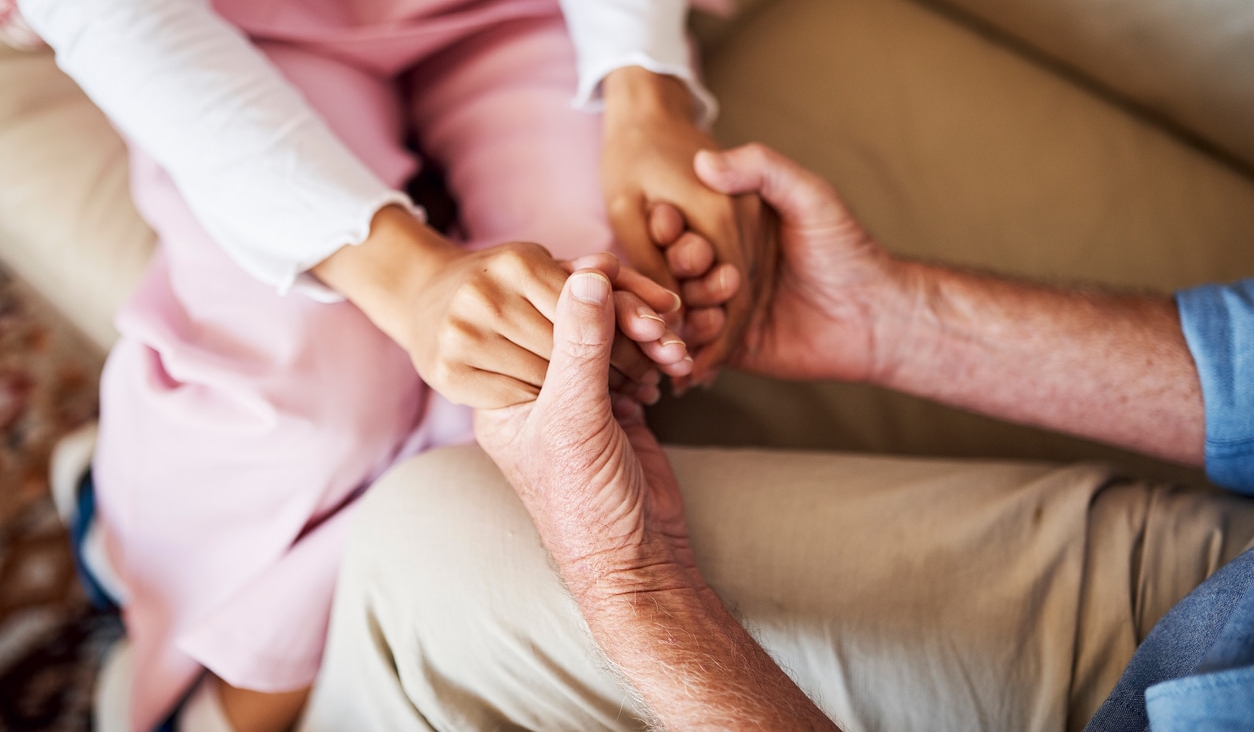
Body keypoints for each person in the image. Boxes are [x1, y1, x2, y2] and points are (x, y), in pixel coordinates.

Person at [0, 0, 765, 729]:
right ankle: (129, 543)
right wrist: (406, 278)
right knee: (300, 400)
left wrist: (646, 99)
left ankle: (242, 693)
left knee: (579, 350)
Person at [302, 143, 1254, 730]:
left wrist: (632, 580)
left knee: (431, 554)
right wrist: (893, 319)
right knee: (445, 540)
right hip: (1220, 592)